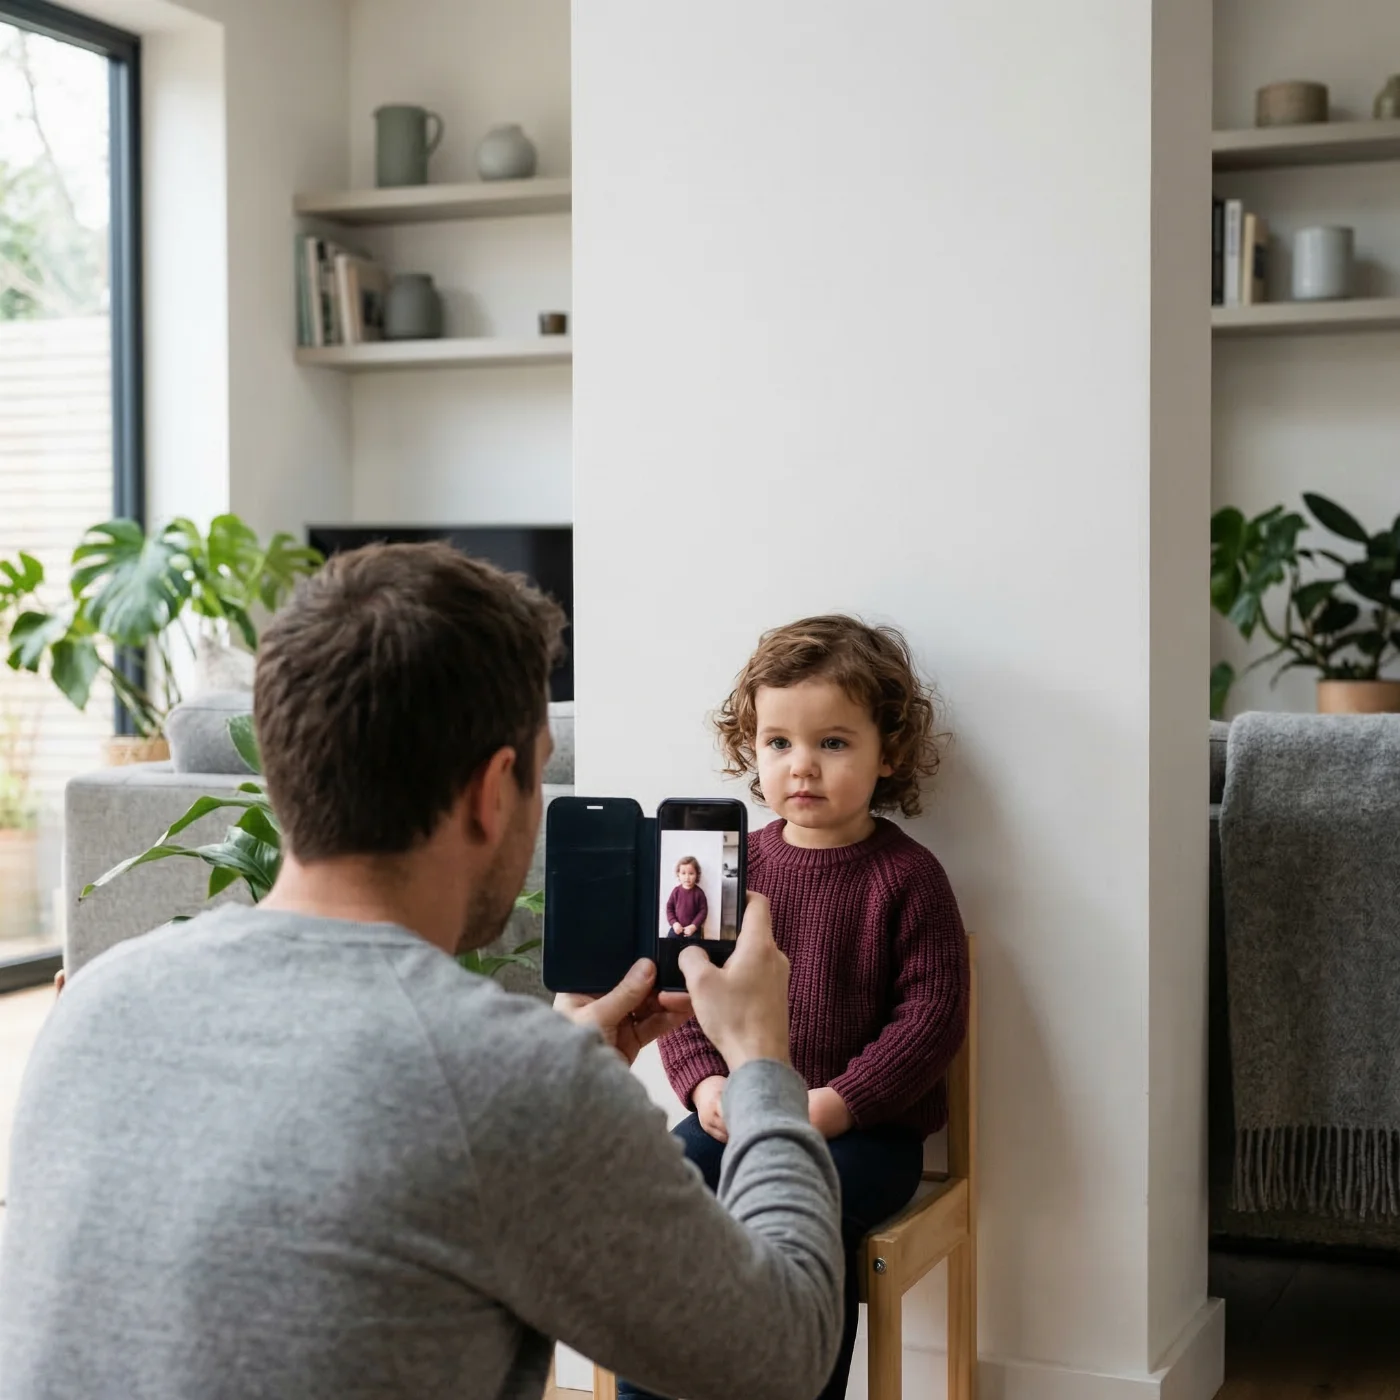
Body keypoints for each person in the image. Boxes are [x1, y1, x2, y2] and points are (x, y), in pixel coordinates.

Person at [0, 545, 844, 1400]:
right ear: (493, 789)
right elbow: (784, 1354)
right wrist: (761, 1062)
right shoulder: (515, 1085)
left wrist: (555, 1071)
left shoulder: (92, 1006)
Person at [618, 614, 971, 1400]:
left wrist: (832, 1106)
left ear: (889, 753)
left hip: (865, 1136)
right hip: (739, 1112)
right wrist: (708, 1087)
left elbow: (931, 1019)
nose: (801, 765)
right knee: (661, 1198)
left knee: (808, 1220)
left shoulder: (908, 877)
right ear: (752, 748)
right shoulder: (735, 867)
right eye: (778, 742)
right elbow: (686, 989)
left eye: (832, 743)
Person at [665, 854, 708, 937]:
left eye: (691, 873)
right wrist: (674, 923)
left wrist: (694, 926)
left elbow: (703, 912)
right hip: (677, 928)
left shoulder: (699, 893)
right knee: (669, 942)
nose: (687, 877)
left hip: (693, 929)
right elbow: (669, 908)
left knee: (694, 944)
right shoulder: (676, 891)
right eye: (683, 873)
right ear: (678, 874)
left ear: (697, 874)